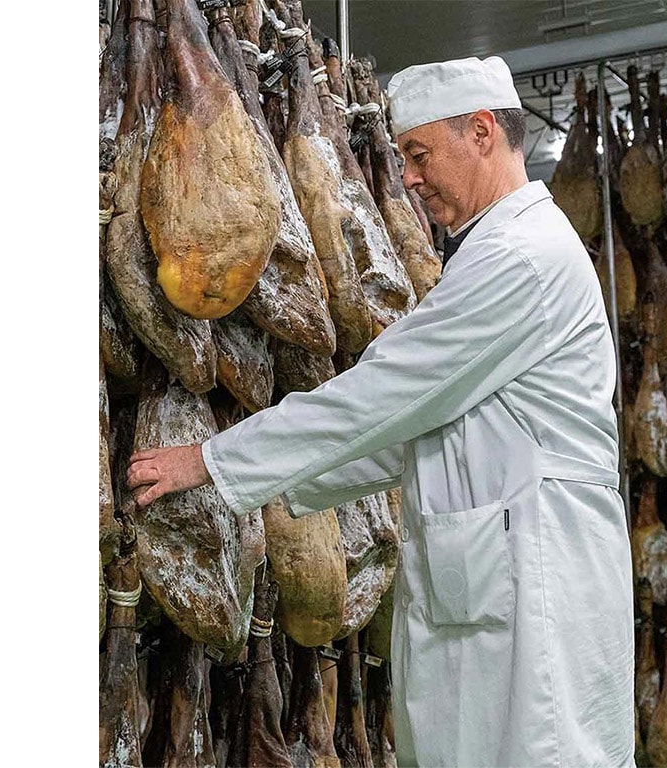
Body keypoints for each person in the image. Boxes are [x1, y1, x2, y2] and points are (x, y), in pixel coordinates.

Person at [128, 56, 635, 768]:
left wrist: (212, 461)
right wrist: (275, 492)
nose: (410, 178)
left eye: (420, 155)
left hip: (536, 586)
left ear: (482, 132)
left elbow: (384, 396)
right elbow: (420, 429)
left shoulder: (522, 257)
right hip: (500, 574)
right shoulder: (496, 252)